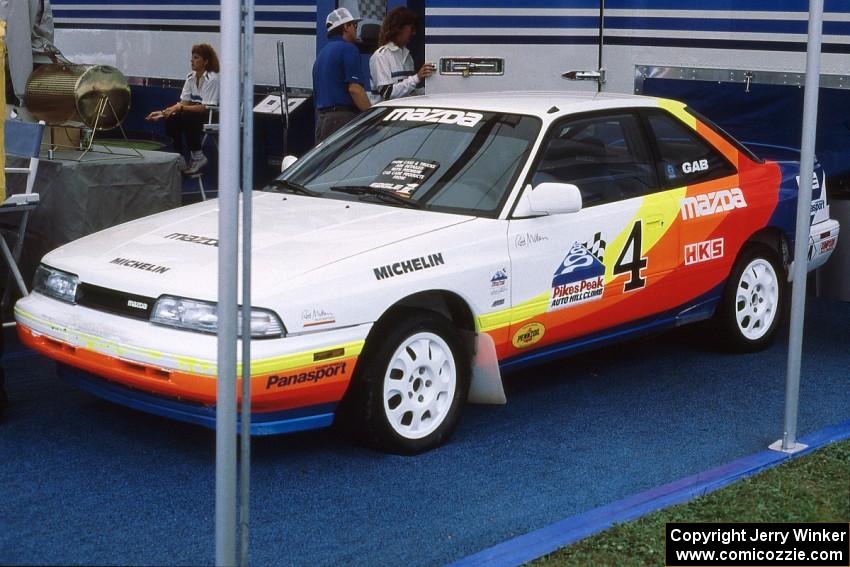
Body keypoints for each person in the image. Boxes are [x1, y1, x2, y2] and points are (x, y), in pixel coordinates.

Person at [146, 43, 220, 175]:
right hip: (194, 114)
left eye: (196, 57)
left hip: (212, 114)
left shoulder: (212, 79)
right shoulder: (190, 77)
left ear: (206, 61)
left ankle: (198, 156)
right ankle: (179, 156)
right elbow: (183, 102)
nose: (192, 60)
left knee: (187, 115)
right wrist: (163, 113)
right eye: (192, 57)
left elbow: (205, 107)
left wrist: (180, 107)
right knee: (173, 118)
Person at [312, 8, 371, 143]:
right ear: (346, 27)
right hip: (341, 120)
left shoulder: (322, 54)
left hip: (322, 120)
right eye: (354, 25)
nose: (356, 30)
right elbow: (354, 89)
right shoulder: (349, 49)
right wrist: (371, 115)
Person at [369, 7, 433, 104]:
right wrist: (417, 77)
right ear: (399, 28)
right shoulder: (381, 56)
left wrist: (431, 94)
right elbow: (387, 93)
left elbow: (409, 90)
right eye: (412, 28)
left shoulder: (407, 56)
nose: (414, 33)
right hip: (386, 114)